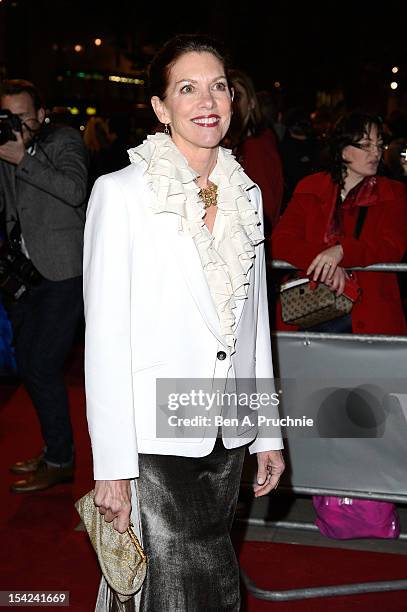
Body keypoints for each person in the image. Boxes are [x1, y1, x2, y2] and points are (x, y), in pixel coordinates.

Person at [83, 34, 285, 611]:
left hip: (225, 432)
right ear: (159, 106)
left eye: (218, 86)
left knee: (206, 571)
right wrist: (112, 468)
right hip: (155, 432)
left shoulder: (247, 193)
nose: (208, 100)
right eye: (188, 88)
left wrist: (266, 432)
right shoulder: (120, 194)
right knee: (189, 584)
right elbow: (104, 341)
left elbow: (254, 333)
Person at [271, 111, 407, 538]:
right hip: (314, 314)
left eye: (378, 144)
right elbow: (282, 239)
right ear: (343, 149)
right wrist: (325, 261)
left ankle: (361, 499)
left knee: (365, 412)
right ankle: (330, 496)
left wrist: (343, 253)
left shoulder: (393, 192)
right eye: (365, 144)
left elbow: (392, 245)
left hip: (369, 317)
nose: (375, 152)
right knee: (316, 408)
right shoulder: (312, 187)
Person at [0, 79, 88, 492]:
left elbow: (74, 191)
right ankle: (54, 448)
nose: (15, 124)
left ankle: (60, 459)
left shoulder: (64, 141)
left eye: (23, 116)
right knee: (30, 367)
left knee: (42, 366)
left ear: (41, 114)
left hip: (63, 271)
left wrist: (24, 159)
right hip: (21, 275)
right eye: (7, 116)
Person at [224, 69, 284, 234]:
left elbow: (265, 209)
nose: (231, 102)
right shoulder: (232, 143)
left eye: (238, 96)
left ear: (251, 103)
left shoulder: (256, 145)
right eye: (226, 94)